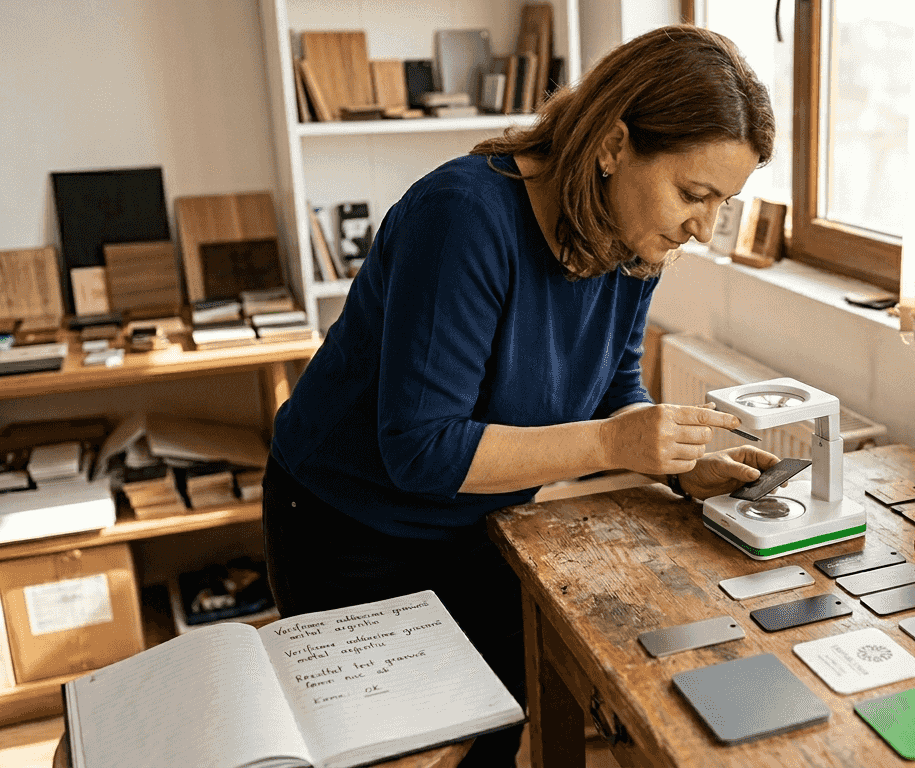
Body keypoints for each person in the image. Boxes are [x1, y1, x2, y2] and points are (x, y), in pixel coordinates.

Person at [262, 24, 776, 767]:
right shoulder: (464, 216)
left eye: (724, 203)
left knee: (490, 739)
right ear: (612, 145)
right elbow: (420, 451)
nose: (705, 227)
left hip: (484, 521)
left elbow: (614, 388)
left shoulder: (633, 238)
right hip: (349, 527)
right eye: (695, 195)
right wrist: (613, 446)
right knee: (392, 757)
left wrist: (673, 461)